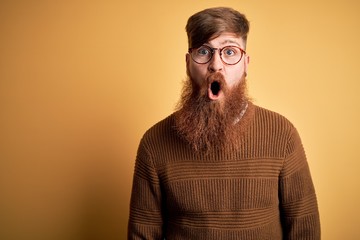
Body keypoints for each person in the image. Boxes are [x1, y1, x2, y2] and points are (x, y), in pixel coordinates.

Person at [128, 6, 320, 239]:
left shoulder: (282, 134)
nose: (216, 65)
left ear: (246, 64)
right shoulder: (154, 142)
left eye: (229, 52)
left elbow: (305, 230)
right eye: (203, 51)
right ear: (188, 63)